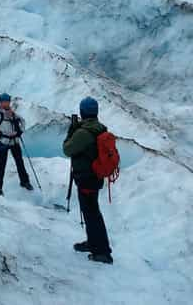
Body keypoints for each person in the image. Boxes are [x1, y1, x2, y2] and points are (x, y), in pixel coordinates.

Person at [63, 96, 114, 264]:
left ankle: (102, 252)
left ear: (82, 112)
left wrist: (72, 132)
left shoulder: (84, 133)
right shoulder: (99, 128)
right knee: (91, 211)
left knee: (92, 213)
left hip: (87, 179)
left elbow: (67, 149)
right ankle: (93, 242)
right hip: (94, 177)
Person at [0, 93, 33, 195]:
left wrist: (21, 131)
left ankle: (24, 182)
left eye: (7, 101)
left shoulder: (13, 114)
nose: (6, 103)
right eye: (4, 101)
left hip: (14, 141)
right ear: (0, 102)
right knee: (1, 165)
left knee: (20, 162)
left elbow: (23, 121)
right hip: (4, 142)